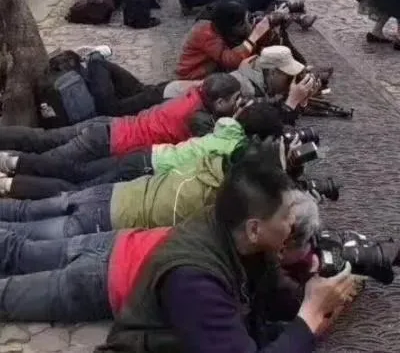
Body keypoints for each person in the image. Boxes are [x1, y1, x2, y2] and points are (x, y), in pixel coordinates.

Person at [0, 143, 360, 345]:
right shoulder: (196, 280)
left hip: (119, 244)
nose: (293, 228)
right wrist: (308, 316)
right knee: (9, 293)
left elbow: (271, 298)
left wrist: (319, 291)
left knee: (17, 248)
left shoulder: (233, 227)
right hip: (100, 279)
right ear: (254, 228)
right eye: (288, 220)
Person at [0, 103, 284, 236]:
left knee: (74, 175)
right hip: (144, 170)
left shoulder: (227, 129)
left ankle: (10, 164)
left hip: (147, 154)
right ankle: (8, 182)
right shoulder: (234, 153)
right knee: (74, 189)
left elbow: (228, 121)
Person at [0, 74, 242, 181]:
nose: (238, 103)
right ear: (220, 102)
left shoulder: (194, 93)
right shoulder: (199, 119)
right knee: (46, 164)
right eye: (235, 99)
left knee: (42, 139)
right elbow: (210, 146)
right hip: (108, 141)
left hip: (110, 125)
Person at [176, 0, 271, 80]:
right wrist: (254, 36)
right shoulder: (207, 34)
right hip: (193, 75)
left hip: (210, 66)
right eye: (243, 23)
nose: (247, 25)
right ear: (230, 26)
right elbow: (232, 61)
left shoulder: (218, 25)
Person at [232, 45, 315, 124]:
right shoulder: (247, 90)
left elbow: (278, 111)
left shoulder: (263, 81)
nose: (291, 81)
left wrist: (301, 100)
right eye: (289, 76)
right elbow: (274, 128)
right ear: (273, 72)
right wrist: (292, 101)